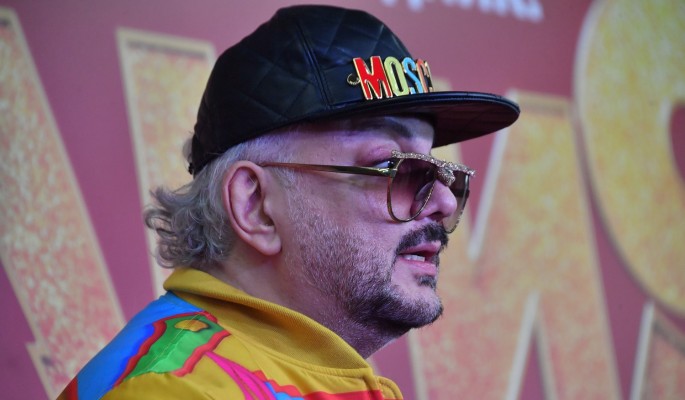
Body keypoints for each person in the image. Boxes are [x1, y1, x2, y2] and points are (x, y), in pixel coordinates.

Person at [58, 4, 519, 399]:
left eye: (439, 172)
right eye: (394, 168)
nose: (443, 200)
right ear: (256, 205)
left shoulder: (304, 375)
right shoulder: (177, 390)